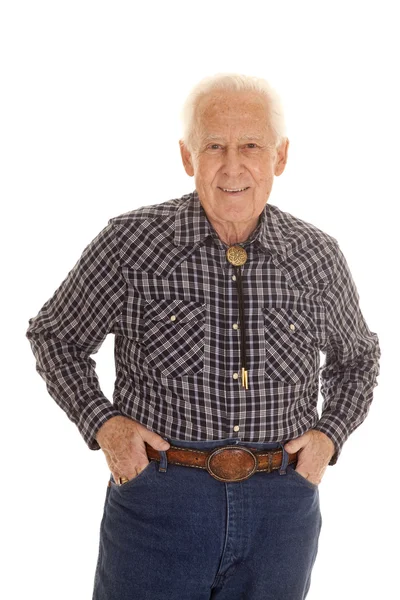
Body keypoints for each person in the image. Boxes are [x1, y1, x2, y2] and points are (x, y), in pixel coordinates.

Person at [26, 73, 381, 600]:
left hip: (281, 511)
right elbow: (55, 335)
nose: (232, 166)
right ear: (188, 157)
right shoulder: (132, 243)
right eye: (214, 145)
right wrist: (104, 425)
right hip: (159, 497)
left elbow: (358, 359)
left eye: (251, 146)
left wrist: (329, 437)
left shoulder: (316, 256)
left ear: (279, 157)